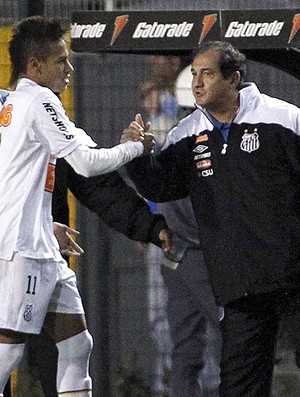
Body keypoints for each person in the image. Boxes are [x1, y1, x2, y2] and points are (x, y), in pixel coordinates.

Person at [0, 15, 171, 397]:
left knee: (77, 345)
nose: (70, 68)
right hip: (20, 251)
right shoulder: (38, 101)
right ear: (35, 66)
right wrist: (136, 147)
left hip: (42, 245)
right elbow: (87, 165)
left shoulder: (25, 104)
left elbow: (84, 159)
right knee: (7, 354)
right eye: (61, 60)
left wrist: (46, 223)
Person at [124, 40, 300, 396]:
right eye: (194, 75)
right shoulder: (186, 134)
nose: (197, 83)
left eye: (207, 74)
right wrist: (137, 154)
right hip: (239, 286)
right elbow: (162, 187)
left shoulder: (283, 118)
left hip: (293, 275)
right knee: (239, 386)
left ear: (233, 79)